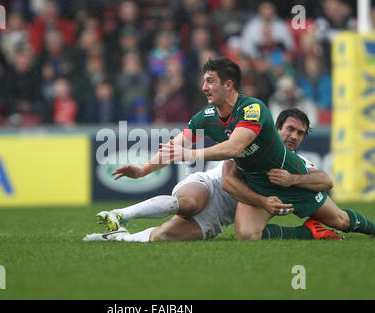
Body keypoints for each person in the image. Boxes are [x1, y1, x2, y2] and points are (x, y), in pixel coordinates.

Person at [84, 57, 374, 242]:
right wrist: (145, 168)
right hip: (254, 185)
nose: (204, 87)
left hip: (289, 180)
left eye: (210, 81)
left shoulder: (253, 109)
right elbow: (175, 147)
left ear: (229, 85)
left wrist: (193, 155)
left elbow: (235, 145)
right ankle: (309, 233)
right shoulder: (205, 117)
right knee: (247, 236)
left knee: (343, 221)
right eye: (204, 81)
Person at [84, 108, 337, 242]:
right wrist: (262, 202)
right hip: (210, 186)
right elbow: (227, 182)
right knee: (191, 203)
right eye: (289, 129)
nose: (293, 136)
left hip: (217, 219)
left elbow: (326, 181)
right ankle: (119, 214)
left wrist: (295, 180)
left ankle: (115, 238)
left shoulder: (298, 163)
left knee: (163, 236)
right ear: (275, 128)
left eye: (300, 133)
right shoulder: (253, 142)